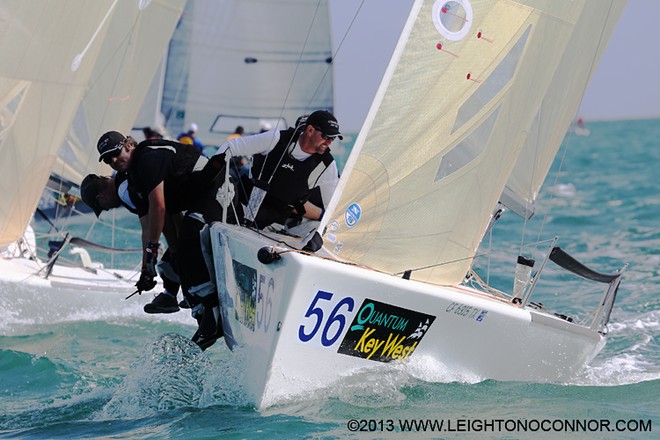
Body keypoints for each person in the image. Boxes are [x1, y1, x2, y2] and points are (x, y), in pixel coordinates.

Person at [97, 130, 242, 350]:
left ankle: (213, 313)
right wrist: (154, 262)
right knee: (180, 253)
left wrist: (153, 251)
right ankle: (202, 315)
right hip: (200, 198)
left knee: (191, 236)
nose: (114, 161)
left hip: (218, 186)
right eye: (108, 160)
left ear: (128, 144)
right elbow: (161, 219)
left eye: (115, 153)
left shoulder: (146, 158)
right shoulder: (134, 175)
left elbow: (159, 207)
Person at [217, 110, 341, 248]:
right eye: (326, 136)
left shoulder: (327, 166)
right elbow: (231, 147)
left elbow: (333, 209)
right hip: (238, 209)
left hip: (273, 228)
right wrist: (213, 176)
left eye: (333, 138)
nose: (329, 142)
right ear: (310, 130)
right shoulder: (276, 138)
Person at [80, 173, 183, 314]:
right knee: (168, 263)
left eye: (102, 207)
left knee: (174, 261)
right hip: (183, 206)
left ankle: (193, 300)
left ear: (100, 198)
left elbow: (151, 225)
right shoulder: (124, 178)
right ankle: (171, 296)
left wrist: (147, 268)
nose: (107, 209)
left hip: (191, 203)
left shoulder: (124, 191)